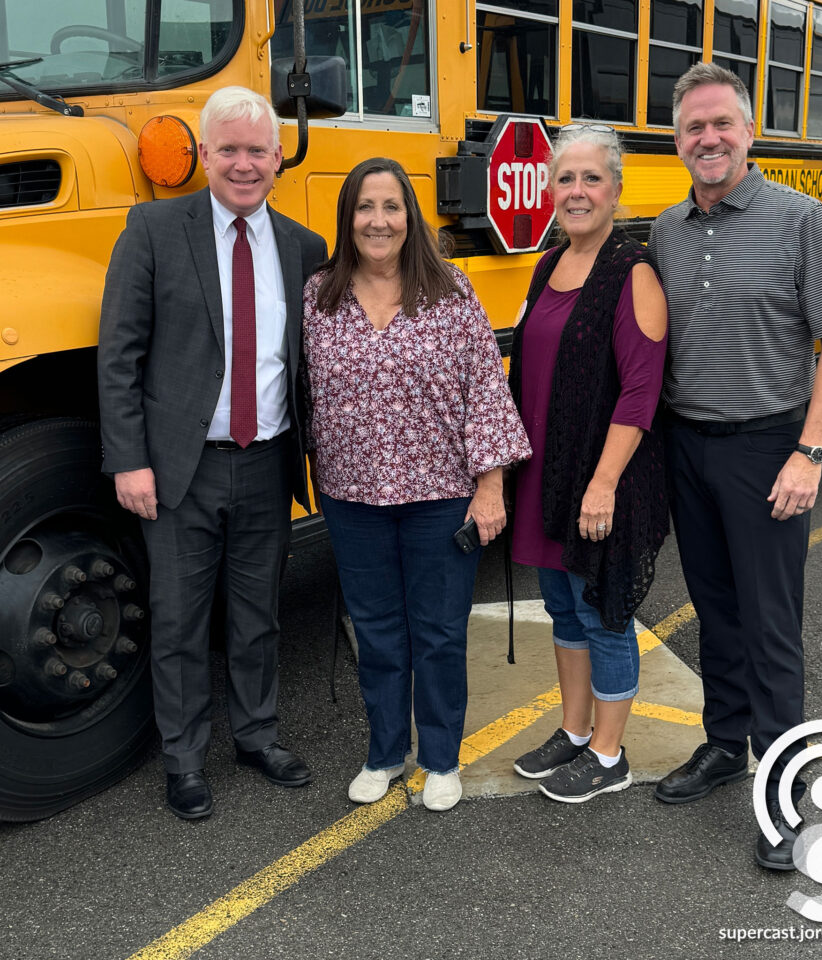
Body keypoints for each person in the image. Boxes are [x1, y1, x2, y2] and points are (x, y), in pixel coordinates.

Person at [647, 62, 822, 869]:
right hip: (689, 448)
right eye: (694, 128)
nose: (708, 138)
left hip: (770, 448)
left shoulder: (800, 218)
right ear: (678, 143)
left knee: (772, 624)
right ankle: (724, 745)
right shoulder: (667, 228)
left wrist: (809, 452)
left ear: (749, 132)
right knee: (715, 610)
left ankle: (788, 804)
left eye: (722, 124)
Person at [98, 87, 325, 820]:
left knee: (258, 614)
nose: (243, 163)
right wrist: (128, 459)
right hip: (177, 466)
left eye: (257, 149)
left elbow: (311, 360)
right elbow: (119, 354)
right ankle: (185, 761)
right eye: (227, 148)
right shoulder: (154, 228)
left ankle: (257, 736)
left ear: (279, 157)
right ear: (203, 155)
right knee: (178, 619)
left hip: (267, 458)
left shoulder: (302, 246)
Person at [302, 158, 531, 812]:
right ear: (348, 218)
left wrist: (490, 488)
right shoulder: (320, 297)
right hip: (353, 499)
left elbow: (486, 390)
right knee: (375, 632)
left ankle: (439, 757)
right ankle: (383, 752)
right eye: (365, 207)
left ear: (411, 217)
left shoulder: (452, 292)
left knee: (437, 632)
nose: (378, 220)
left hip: (440, 497)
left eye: (391, 207)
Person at [508, 124, 670, 804]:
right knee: (562, 608)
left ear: (616, 190)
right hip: (548, 475)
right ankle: (575, 733)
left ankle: (610, 752)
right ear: (550, 190)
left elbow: (641, 388)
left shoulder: (632, 272)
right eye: (565, 179)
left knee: (601, 610)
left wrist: (603, 484)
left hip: (600, 479)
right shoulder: (549, 264)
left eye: (590, 179)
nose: (576, 192)